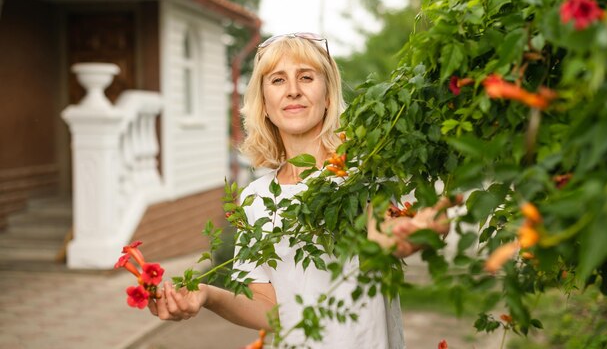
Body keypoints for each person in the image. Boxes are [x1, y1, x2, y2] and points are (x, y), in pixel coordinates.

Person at [148, 32, 450, 348]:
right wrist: (208, 294)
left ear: (329, 96)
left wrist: (403, 235)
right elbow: (273, 311)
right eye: (278, 80)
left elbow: (385, 229)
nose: (293, 91)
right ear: (263, 103)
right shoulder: (256, 199)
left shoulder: (364, 175)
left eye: (306, 77)